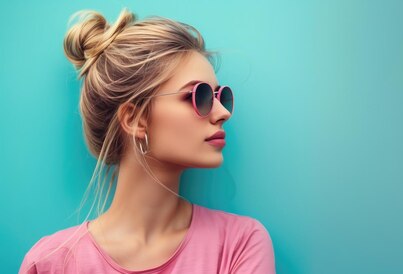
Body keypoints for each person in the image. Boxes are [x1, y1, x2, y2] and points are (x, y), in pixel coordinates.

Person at [18, 7, 276, 274]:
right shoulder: (49, 263)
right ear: (135, 119)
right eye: (200, 96)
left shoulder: (240, 245)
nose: (223, 113)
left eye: (222, 96)